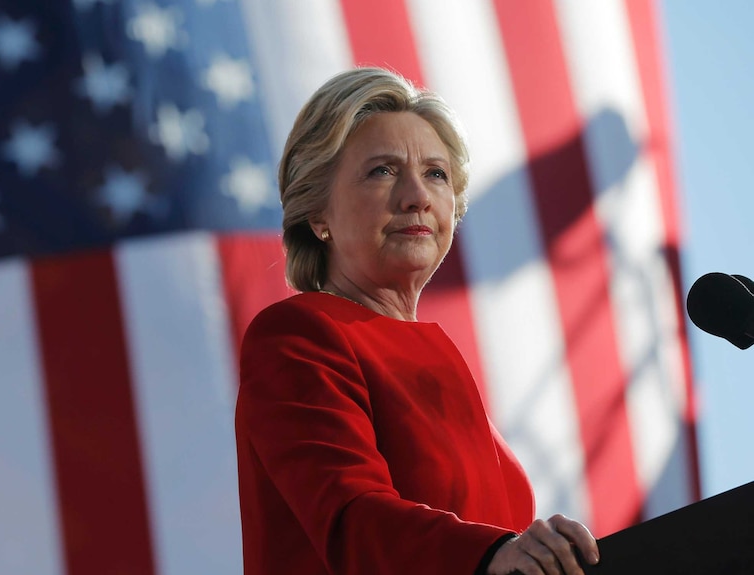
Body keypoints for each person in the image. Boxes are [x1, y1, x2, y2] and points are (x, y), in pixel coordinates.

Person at [234, 67, 600, 575]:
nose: (417, 196)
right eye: (382, 171)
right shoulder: (298, 335)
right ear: (318, 214)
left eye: (436, 174)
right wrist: (492, 554)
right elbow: (351, 519)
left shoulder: (440, 368)